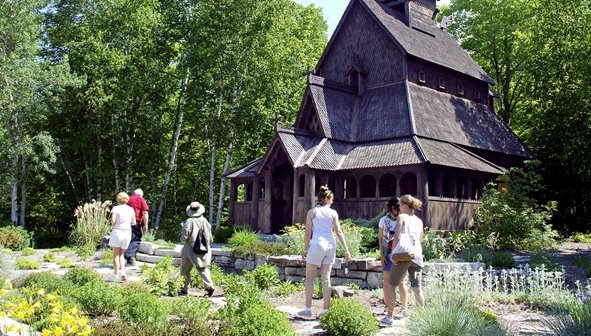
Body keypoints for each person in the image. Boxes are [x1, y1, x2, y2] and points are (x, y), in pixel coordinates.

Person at [299, 185, 352, 318]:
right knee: (326, 279)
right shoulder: (333, 213)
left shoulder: (312, 212)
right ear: (327, 199)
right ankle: (325, 310)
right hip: (330, 245)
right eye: (332, 199)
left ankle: (307, 308)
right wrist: (346, 250)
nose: (333, 201)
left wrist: (305, 249)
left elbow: (308, 233)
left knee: (310, 278)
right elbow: (338, 232)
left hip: (317, 244)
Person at [388, 194, 425, 315]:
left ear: (404, 205)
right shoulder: (419, 221)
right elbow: (419, 239)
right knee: (417, 288)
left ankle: (389, 316)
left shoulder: (402, 217)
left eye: (400, 205)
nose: (399, 207)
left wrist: (393, 254)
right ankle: (422, 317)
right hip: (417, 255)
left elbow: (397, 236)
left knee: (392, 285)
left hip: (404, 255)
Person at [378, 197, 408, 326]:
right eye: (396, 207)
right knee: (386, 282)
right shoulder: (383, 220)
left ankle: (404, 308)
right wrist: (381, 254)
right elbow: (380, 237)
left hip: (400, 252)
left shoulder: (404, 219)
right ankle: (389, 307)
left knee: (401, 282)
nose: (398, 210)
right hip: (387, 252)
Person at [179, 201, 215, 297]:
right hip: (204, 248)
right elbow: (210, 237)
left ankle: (184, 288)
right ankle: (209, 285)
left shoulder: (189, 221)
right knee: (202, 268)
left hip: (190, 248)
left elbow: (185, 237)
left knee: (185, 269)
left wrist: (181, 236)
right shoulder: (205, 220)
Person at [107, 192, 136, 282]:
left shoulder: (115, 208)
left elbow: (113, 221)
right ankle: (123, 272)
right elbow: (134, 223)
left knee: (116, 255)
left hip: (118, 232)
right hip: (127, 233)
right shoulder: (131, 209)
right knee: (121, 254)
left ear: (118, 199)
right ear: (127, 199)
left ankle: (115, 276)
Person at [124, 188, 149, 267]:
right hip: (136, 222)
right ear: (141, 194)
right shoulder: (141, 199)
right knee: (137, 239)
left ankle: (129, 261)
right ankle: (127, 254)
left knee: (129, 239)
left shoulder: (128, 199)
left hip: (125, 222)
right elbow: (145, 212)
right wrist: (146, 225)